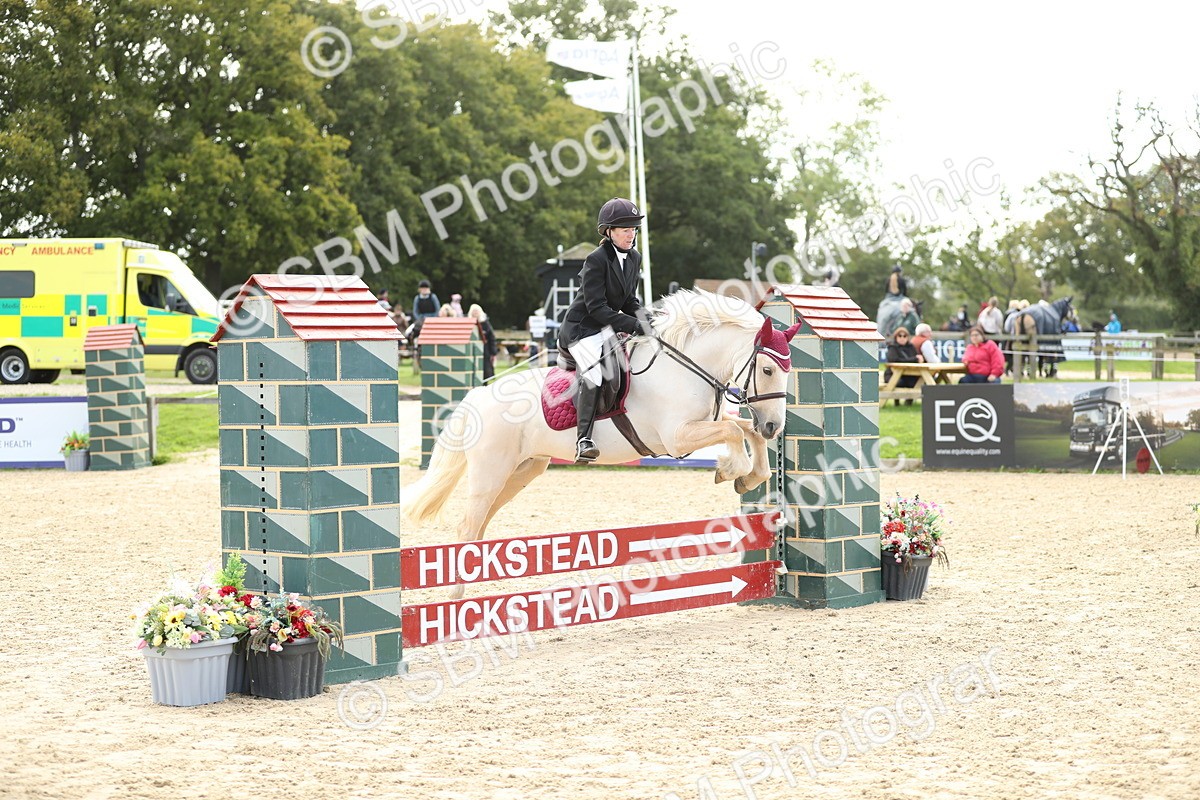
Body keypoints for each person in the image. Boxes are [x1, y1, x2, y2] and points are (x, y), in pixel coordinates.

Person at [557, 197, 649, 463]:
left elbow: (629, 300)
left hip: (607, 327)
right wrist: (633, 324)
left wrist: (648, 320)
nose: (631, 234)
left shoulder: (634, 257)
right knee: (595, 371)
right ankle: (583, 439)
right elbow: (596, 308)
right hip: (582, 329)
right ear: (609, 231)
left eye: (634, 228)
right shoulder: (596, 260)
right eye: (625, 229)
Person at [467, 303, 497, 381]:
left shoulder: (485, 323)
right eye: (474, 311)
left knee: (485, 369)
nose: (475, 313)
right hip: (471, 349)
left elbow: (491, 338)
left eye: (477, 311)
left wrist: (493, 352)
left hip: (485, 350)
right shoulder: (468, 323)